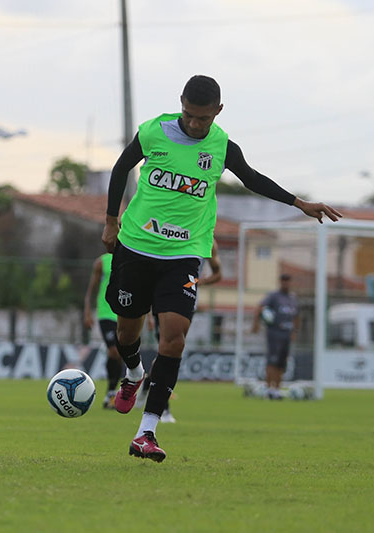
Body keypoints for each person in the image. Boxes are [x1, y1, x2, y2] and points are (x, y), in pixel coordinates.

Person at [103, 74, 342, 463]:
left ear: (218, 111)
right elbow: (120, 168)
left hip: (183, 254)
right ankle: (133, 374)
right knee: (126, 333)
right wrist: (111, 221)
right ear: (181, 104)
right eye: (189, 115)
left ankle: (146, 432)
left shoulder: (222, 147)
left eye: (204, 118)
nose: (195, 124)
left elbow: (252, 179)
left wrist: (300, 203)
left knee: (174, 338)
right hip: (136, 246)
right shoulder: (153, 132)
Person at [138, 239, 224, 423]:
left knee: (172, 350)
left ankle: (146, 385)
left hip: (186, 300)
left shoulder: (209, 241)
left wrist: (195, 282)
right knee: (165, 350)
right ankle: (163, 408)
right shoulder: (173, 232)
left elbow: (218, 274)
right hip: (164, 297)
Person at [83, 252, 123, 409]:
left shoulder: (133, 256)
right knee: (114, 351)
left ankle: (111, 392)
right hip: (106, 313)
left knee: (120, 353)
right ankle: (111, 393)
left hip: (124, 313)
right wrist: (87, 311)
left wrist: (149, 316)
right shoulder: (102, 262)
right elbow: (91, 290)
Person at [251, 273, 300, 400]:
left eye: (288, 281)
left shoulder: (293, 298)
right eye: (284, 281)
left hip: (286, 334)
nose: (286, 284)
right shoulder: (274, 296)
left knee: (281, 363)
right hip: (275, 332)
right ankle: (269, 389)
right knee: (272, 361)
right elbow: (260, 308)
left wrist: (295, 331)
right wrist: (256, 324)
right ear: (280, 282)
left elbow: (297, 316)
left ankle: (277, 390)